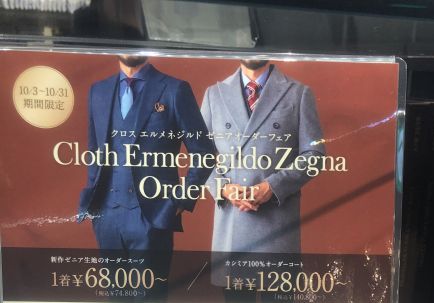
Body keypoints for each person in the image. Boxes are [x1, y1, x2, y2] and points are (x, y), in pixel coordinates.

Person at [79, 56, 214, 282]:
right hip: (106, 218)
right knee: (114, 298)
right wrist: (94, 202)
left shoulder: (174, 89)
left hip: (153, 217)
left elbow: (204, 153)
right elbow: (94, 152)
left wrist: (179, 202)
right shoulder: (98, 91)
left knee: (149, 299)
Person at [200, 59, 325, 260]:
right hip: (231, 224)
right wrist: (223, 188)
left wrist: (272, 186)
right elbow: (199, 155)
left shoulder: (298, 92)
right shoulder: (214, 94)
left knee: (275, 281)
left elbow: (314, 155)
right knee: (232, 280)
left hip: (278, 223)